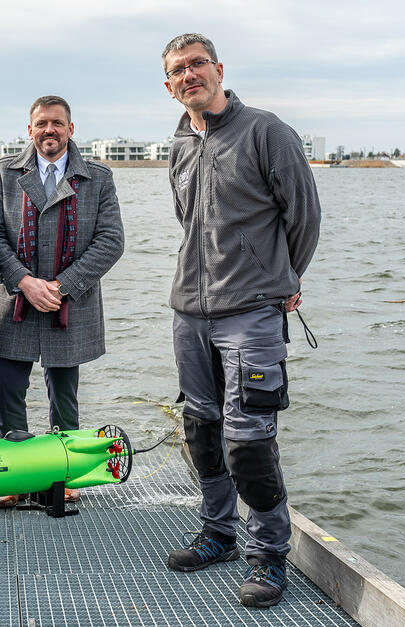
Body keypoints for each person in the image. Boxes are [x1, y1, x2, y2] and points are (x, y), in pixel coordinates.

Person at [160, 33, 321, 608]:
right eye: (178, 70)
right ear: (169, 86)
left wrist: (282, 279)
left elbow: (304, 215)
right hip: (190, 312)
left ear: (219, 69)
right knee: (202, 430)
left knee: (249, 440)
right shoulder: (180, 144)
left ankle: (268, 556)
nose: (189, 75)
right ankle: (218, 534)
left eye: (197, 64)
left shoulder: (265, 131)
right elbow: (187, 220)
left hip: (251, 312)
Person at [0, 96, 124, 508]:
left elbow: (111, 241)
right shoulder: (5, 172)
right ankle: (15, 475)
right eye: (42, 123)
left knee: (64, 395)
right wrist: (25, 282)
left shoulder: (97, 177)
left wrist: (61, 286)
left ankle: (63, 475)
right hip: (18, 300)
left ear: (71, 129)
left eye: (58, 123)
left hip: (71, 303)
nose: (50, 130)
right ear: (29, 129)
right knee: (8, 391)